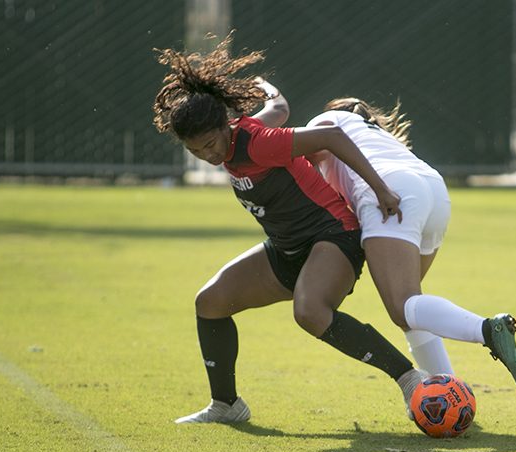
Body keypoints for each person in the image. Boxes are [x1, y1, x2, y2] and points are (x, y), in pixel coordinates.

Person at [152, 35, 425, 423]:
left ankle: (410, 378)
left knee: (310, 311)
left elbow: (332, 136)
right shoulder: (238, 135)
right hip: (287, 248)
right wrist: (265, 89)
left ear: (224, 127)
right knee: (210, 302)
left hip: (333, 236)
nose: (208, 156)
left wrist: (381, 189)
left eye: (211, 145)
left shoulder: (257, 143)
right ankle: (227, 405)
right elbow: (278, 109)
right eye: (196, 152)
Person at [302, 98, 516, 390]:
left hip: (391, 191)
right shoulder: (375, 133)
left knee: (402, 306)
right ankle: (447, 389)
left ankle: (486, 329)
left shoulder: (326, 121)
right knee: (412, 311)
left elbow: (296, 155)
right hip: (433, 190)